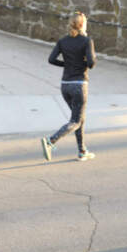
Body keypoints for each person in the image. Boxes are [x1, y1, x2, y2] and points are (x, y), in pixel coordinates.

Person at [41, 11, 97, 162]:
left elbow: (51, 59)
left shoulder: (63, 41)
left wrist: (67, 64)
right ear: (82, 24)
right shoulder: (87, 40)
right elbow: (91, 64)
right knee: (76, 121)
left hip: (65, 85)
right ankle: (50, 141)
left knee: (78, 118)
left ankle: (82, 151)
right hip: (79, 85)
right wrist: (85, 62)